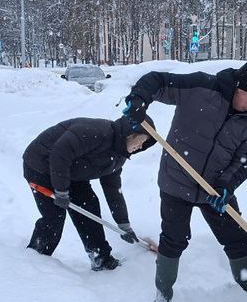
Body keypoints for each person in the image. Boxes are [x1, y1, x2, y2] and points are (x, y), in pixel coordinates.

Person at [121, 49, 247, 302]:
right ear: (240, 88)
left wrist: (226, 186)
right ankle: (163, 294)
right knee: (174, 239)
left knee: (236, 239)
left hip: (214, 190)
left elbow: (245, 160)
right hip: (176, 182)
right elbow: (157, 80)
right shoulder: (202, 87)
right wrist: (138, 100)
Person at [23, 115, 156, 270]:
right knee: (54, 216)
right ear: (129, 134)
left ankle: (101, 258)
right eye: (140, 141)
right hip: (41, 166)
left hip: (71, 172)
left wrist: (123, 224)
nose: (140, 146)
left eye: (144, 144)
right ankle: (37, 256)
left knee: (89, 207)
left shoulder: (119, 156)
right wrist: (61, 191)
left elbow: (113, 190)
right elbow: (60, 153)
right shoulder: (96, 132)